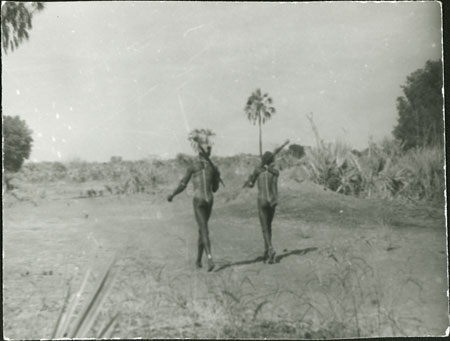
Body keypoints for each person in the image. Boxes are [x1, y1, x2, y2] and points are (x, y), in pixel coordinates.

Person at [167, 141, 221, 272]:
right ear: (208, 152)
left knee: (203, 230)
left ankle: (209, 259)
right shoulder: (214, 168)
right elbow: (214, 189)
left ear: (199, 153)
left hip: (198, 200)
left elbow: (183, 184)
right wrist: (216, 176)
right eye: (210, 149)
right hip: (209, 200)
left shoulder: (193, 166)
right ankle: (198, 260)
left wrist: (172, 194)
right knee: (202, 230)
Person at [243, 150, 281, 264]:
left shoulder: (257, 171)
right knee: (268, 226)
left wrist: (249, 179)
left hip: (262, 201)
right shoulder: (275, 172)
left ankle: (270, 249)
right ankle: (267, 253)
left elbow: (250, 185)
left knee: (264, 228)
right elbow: (272, 174)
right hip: (272, 201)